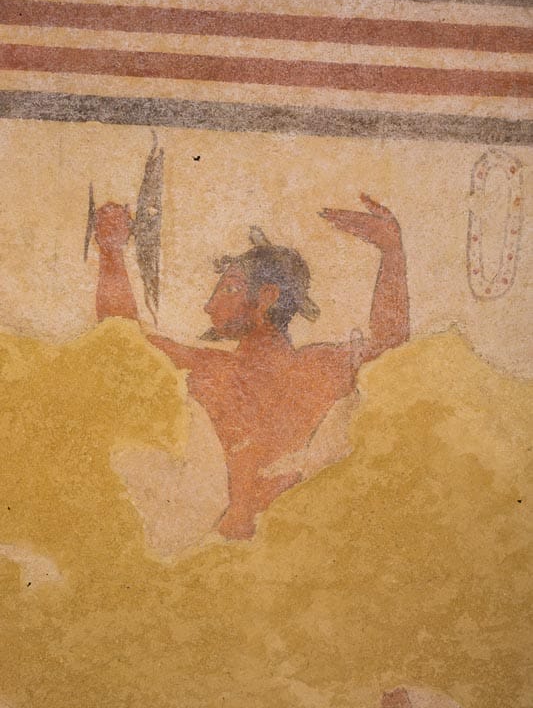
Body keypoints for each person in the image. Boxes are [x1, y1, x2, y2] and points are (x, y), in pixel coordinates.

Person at [93, 193, 409, 539]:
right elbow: (123, 342)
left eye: (229, 288)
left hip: (261, 550)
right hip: (260, 552)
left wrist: (111, 250)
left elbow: (122, 337)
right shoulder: (318, 367)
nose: (209, 305)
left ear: (267, 297)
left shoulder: (230, 370)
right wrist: (391, 251)